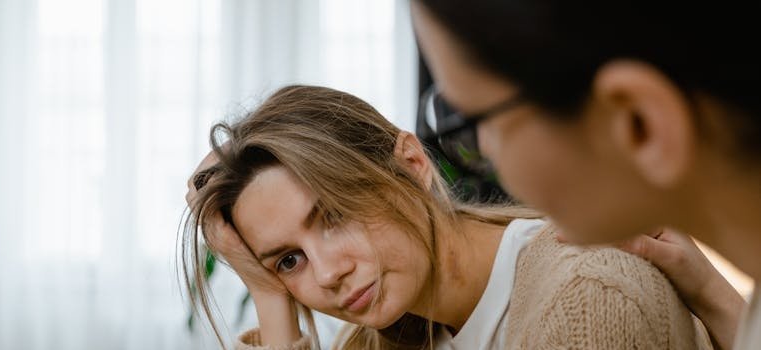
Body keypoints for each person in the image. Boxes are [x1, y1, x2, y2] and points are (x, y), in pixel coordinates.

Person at [183, 85, 710, 349]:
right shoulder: (385, 336)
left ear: (412, 165)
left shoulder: (586, 300)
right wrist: (271, 297)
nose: (326, 274)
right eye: (290, 260)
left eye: (336, 214)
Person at [409, 1, 758, 349]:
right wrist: (713, 296)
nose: (484, 152)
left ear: (639, 121)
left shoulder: (591, 296)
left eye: (476, 122)